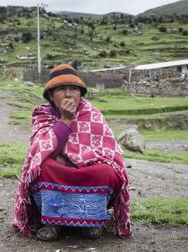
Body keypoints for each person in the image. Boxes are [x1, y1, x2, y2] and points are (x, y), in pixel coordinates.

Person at [13, 64, 132, 241]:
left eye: (74, 89)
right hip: (59, 171)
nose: (68, 94)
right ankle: (53, 222)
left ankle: (93, 221)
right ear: (51, 97)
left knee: (106, 172)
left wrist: (72, 160)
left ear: (80, 94)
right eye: (61, 89)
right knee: (42, 167)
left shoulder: (92, 114)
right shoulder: (42, 115)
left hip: (87, 169)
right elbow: (42, 152)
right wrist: (66, 120)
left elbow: (109, 154)